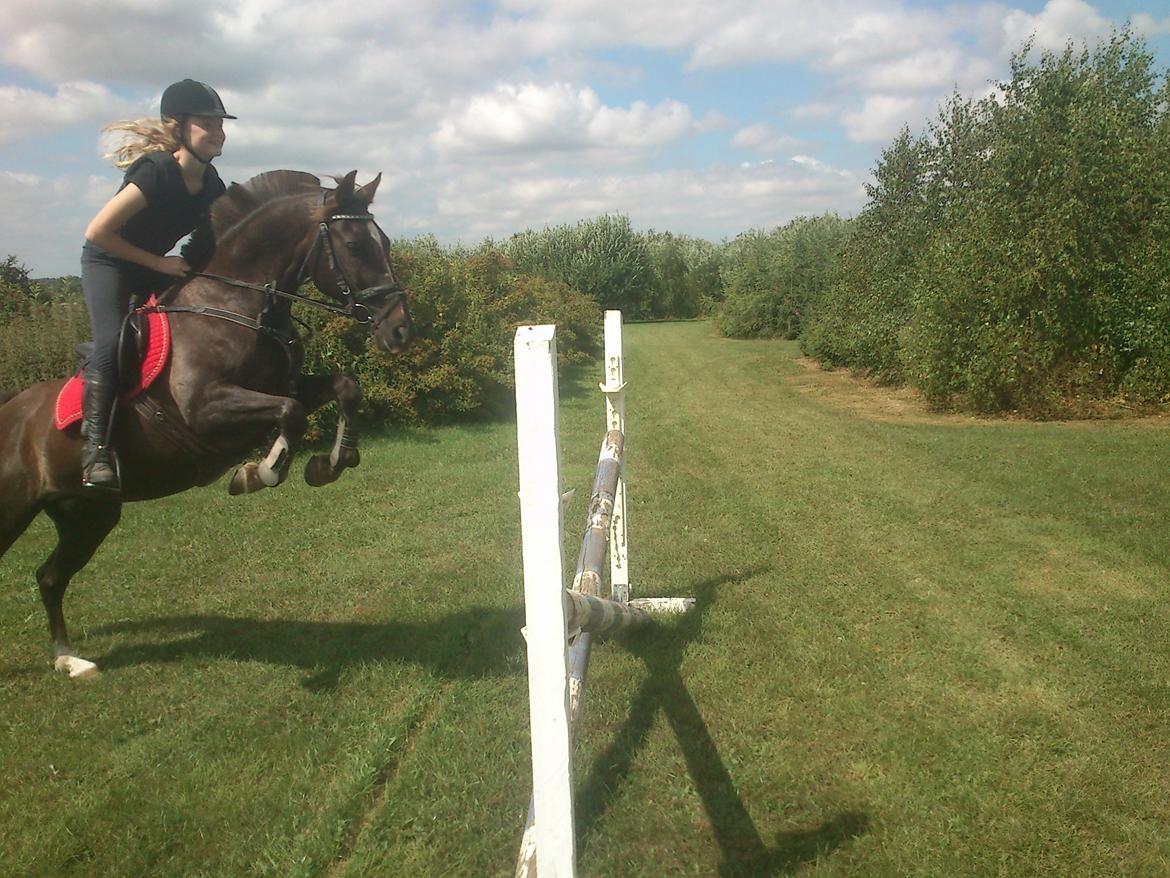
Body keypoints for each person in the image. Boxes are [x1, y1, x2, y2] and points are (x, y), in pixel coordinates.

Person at [79, 79, 235, 493]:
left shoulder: (211, 184)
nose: (219, 130)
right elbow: (97, 232)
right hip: (109, 262)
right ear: (178, 126)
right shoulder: (157, 171)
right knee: (112, 342)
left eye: (221, 123)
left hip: (154, 267)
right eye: (208, 122)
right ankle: (95, 450)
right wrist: (158, 263)